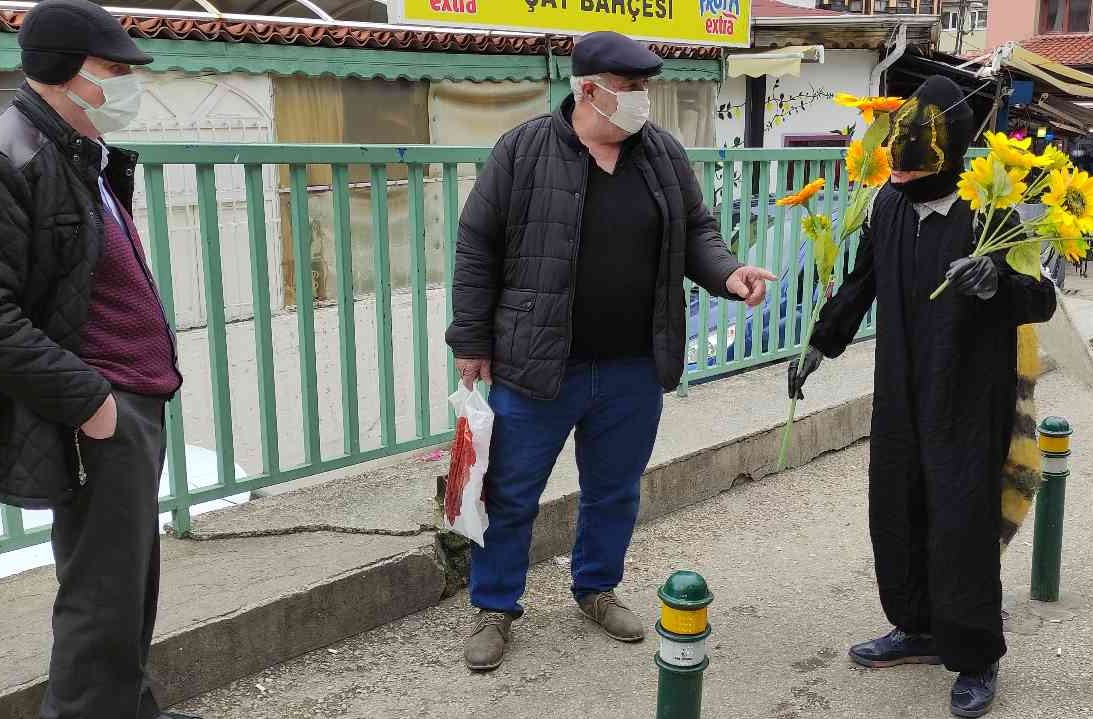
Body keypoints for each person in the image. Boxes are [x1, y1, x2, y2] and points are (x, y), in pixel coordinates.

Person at [445, 31, 777, 672]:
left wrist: (729, 274)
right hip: (538, 365)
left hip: (631, 364)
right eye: (630, 89)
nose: (641, 100)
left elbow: (698, 231)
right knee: (510, 492)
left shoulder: (661, 154)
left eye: (645, 88)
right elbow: (476, 246)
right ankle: (494, 605)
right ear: (589, 90)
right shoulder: (524, 150)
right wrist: (472, 341)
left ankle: (595, 589)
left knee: (614, 490)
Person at [0, 2, 195, 717]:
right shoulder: (1, 157)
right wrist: (92, 404)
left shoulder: (77, 152)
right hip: (96, 410)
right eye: (114, 70)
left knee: (129, 592)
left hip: (131, 403)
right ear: (67, 71)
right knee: (100, 607)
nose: (128, 83)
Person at [786, 76, 1057, 718]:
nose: (900, 187)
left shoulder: (988, 212)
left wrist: (995, 281)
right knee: (897, 506)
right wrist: (820, 345)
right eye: (896, 178)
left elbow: (1040, 299)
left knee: (960, 523)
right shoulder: (887, 205)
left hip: (968, 398)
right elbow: (862, 282)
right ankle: (916, 627)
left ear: (950, 164)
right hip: (901, 393)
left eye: (911, 178)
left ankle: (974, 651)